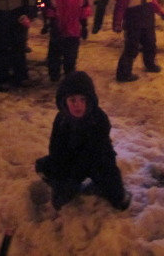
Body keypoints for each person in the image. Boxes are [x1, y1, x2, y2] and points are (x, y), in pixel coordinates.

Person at [35, 71, 131, 211]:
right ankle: (66, 186)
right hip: (71, 159)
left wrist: (73, 179)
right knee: (44, 167)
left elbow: (94, 153)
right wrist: (60, 182)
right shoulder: (61, 120)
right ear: (64, 101)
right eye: (72, 100)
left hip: (98, 161)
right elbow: (56, 149)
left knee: (117, 197)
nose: (78, 105)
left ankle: (112, 191)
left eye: (82, 100)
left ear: (89, 100)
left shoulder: (98, 119)